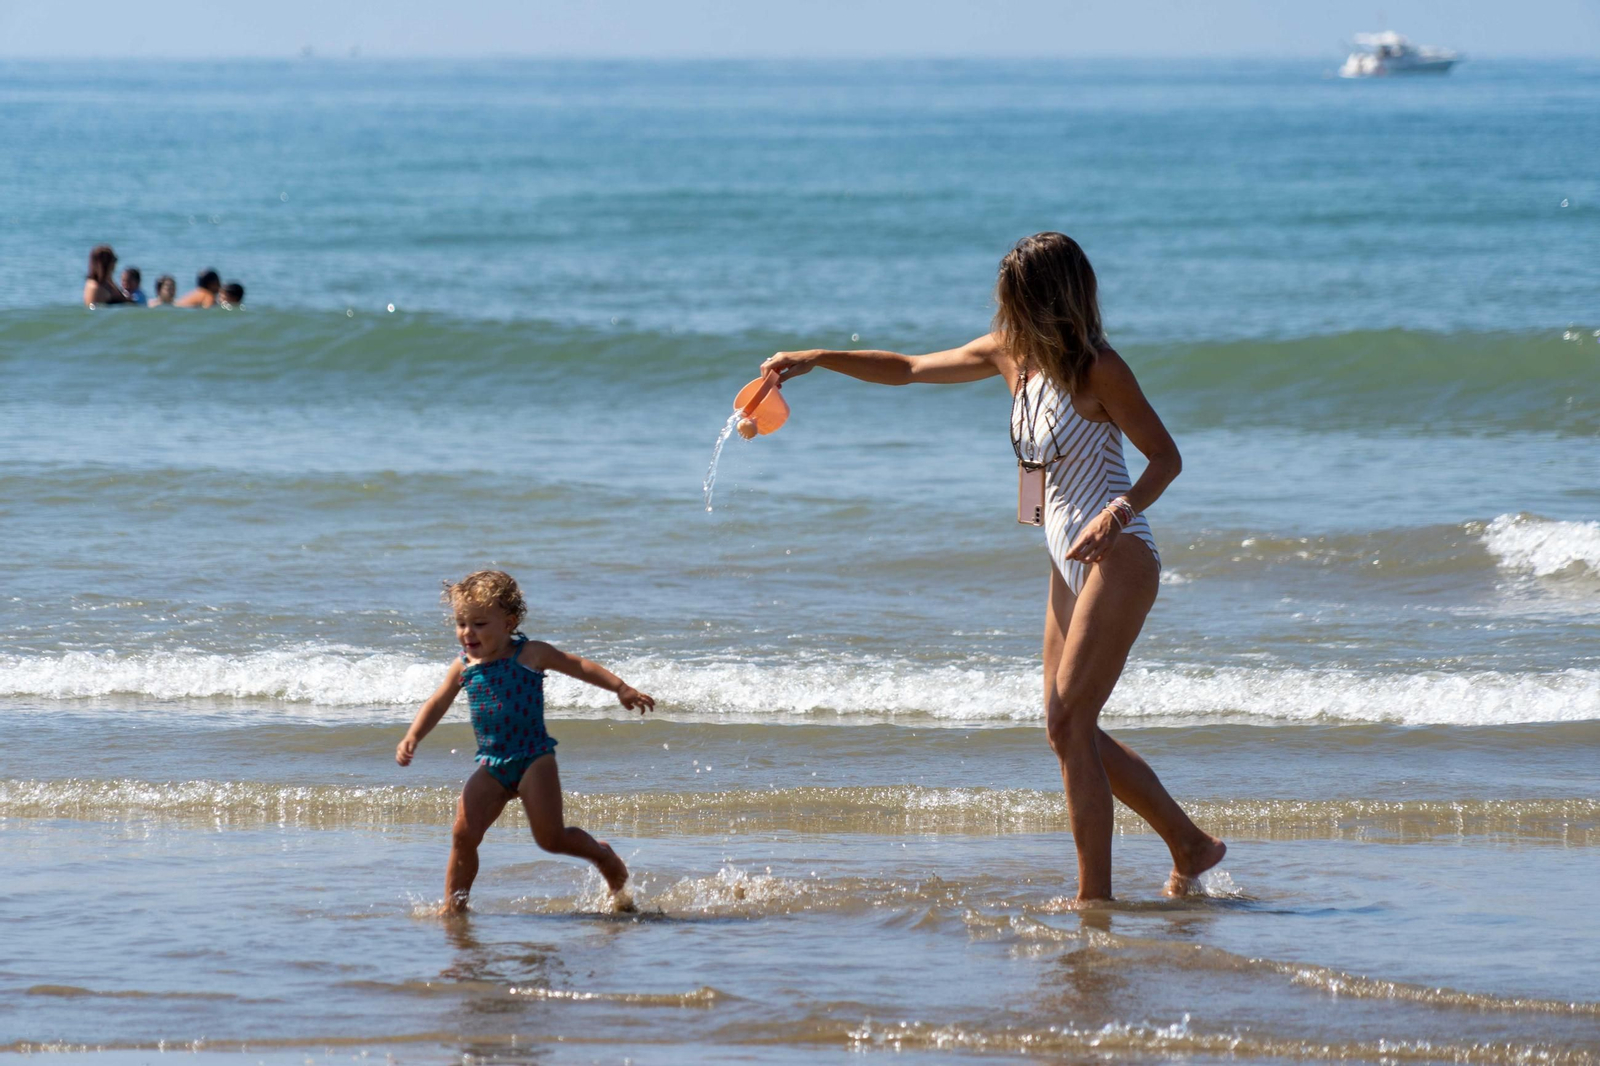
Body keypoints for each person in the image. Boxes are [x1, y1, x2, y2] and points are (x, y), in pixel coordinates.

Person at [759, 232, 1225, 904]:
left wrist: (1117, 514)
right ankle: (1189, 844)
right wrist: (817, 358)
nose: (1008, 318)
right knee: (1066, 727)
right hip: (1065, 558)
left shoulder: (1100, 369)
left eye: (1018, 303)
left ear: (1053, 300)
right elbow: (912, 368)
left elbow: (1166, 459)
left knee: (1071, 726)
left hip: (1120, 556)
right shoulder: (1012, 357)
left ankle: (1094, 902)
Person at [396, 569, 654, 914]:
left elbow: (578, 665)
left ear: (508, 622)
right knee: (463, 834)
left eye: (479, 624)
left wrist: (621, 688)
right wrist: (413, 735)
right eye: (461, 623)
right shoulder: (463, 666)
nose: (467, 632)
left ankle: (602, 854)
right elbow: (437, 703)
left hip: (534, 759)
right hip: (492, 763)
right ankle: (454, 909)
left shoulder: (530, 653)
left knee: (551, 840)